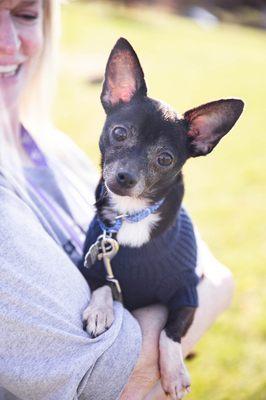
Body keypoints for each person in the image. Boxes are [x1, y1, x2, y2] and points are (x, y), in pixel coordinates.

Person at [0, 1, 235, 399]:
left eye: (24, 14)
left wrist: (208, 288)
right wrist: (183, 306)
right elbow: (115, 382)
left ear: (200, 141)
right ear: (114, 92)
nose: (8, 44)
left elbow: (219, 276)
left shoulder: (50, 144)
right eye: (122, 138)